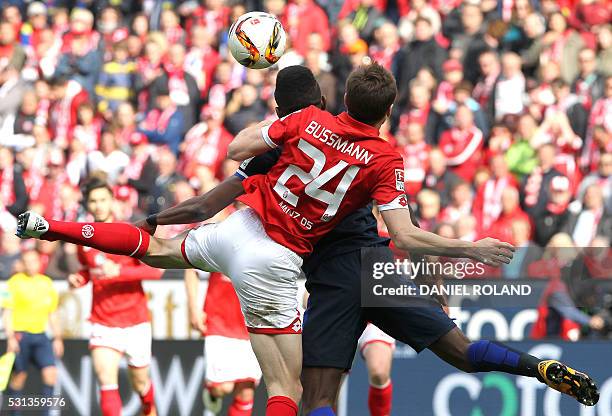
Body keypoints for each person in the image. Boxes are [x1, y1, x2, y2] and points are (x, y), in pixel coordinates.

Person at [17, 65, 597, 415]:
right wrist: (468, 250)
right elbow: (404, 234)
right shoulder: (383, 161)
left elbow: (231, 161)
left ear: (338, 103)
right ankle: (534, 367)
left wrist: (156, 218)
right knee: (462, 354)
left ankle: (59, 224)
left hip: (301, 263)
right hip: (374, 264)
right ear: (388, 112)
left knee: (307, 394)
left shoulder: (298, 129)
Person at [65, 178, 161, 416]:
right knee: (106, 380)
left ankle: (149, 407)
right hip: (102, 320)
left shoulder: (129, 232)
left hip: (135, 321)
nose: (98, 206)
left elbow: (156, 270)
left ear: (112, 202)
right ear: (88, 205)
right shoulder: (83, 238)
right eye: (93, 201)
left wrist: (121, 271)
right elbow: (89, 270)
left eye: (103, 200)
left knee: (140, 383)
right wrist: (80, 277)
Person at [184, 269, 261, 416]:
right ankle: (212, 391)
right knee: (222, 388)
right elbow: (191, 269)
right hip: (219, 322)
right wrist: (193, 308)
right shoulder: (215, 245)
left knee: (246, 392)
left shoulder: (266, 245)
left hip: (252, 324)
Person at [1, 249, 63, 416]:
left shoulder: (47, 283)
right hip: (21, 335)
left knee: (51, 374)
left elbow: (53, 313)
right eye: (27, 261)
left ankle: (47, 413)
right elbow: (7, 313)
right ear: (22, 263)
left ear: (39, 262)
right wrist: (11, 337)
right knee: (18, 378)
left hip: (41, 336)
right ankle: (15, 413)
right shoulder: (14, 283)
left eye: (33, 261)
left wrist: (58, 338)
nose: (30, 264)